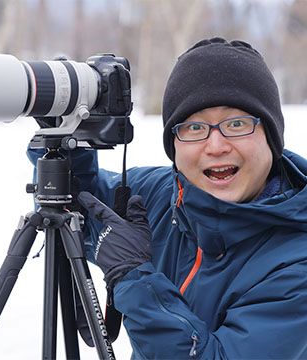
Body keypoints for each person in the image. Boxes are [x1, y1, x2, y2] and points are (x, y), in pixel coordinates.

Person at [28, 37, 307, 359]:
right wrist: (63, 137)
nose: (216, 146)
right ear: (173, 144)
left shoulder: (296, 262)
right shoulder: (159, 194)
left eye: (237, 124)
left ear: (271, 137)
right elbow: (74, 206)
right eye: (193, 127)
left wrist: (134, 277)